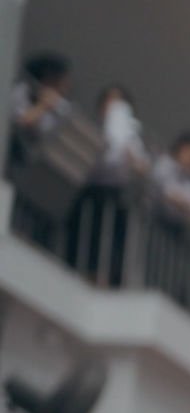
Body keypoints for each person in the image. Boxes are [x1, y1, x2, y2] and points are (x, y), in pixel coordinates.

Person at [67, 85, 150, 286]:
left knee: (111, 239)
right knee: (85, 233)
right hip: (91, 189)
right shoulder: (94, 127)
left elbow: (142, 167)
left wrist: (129, 152)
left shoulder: (132, 137)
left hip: (114, 194)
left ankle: (104, 277)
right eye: (110, 102)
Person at [6, 52, 72, 174]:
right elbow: (20, 122)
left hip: (25, 159)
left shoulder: (61, 107)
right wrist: (42, 106)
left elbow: (42, 133)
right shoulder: (22, 91)